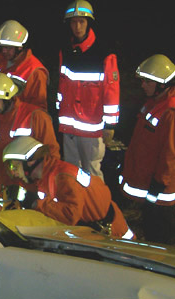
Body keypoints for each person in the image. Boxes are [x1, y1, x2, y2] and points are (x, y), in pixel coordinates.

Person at [2, 136, 134, 239]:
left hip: (115, 237)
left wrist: (36, 203)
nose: (14, 173)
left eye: (14, 166)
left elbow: (71, 216)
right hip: (98, 233)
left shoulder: (64, 177)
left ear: (30, 162)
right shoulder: (47, 177)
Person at [56, 0, 120, 180]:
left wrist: (110, 125)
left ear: (89, 22)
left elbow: (112, 91)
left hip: (92, 127)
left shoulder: (103, 53)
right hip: (69, 126)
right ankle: (75, 206)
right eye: (73, 22)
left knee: (91, 172)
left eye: (81, 22)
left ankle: (96, 207)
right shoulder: (66, 50)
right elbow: (62, 85)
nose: (77, 26)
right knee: (70, 171)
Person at [0, 73, 60, 195]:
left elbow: (52, 155)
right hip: (5, 191)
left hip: (34, 190)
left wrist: (47, 190)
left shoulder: (35, 117)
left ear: (9, 97)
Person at [118, 54, 175, 244]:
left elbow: (170, 154)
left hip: (162, 194)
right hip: (154, 190)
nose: (143, 85)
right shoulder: (154, 104)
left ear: (161, 83)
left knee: (161, 239)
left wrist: (159, 184)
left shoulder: (170, 112)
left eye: (147, 81)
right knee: (152, 232)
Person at [0, 20, 49, 110]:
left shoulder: (35, 71)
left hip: (19, 122)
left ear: (20, 47)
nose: (4, 51)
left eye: (8, 47)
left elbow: (39, 110)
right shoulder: (0, 61)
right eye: (2, 47)